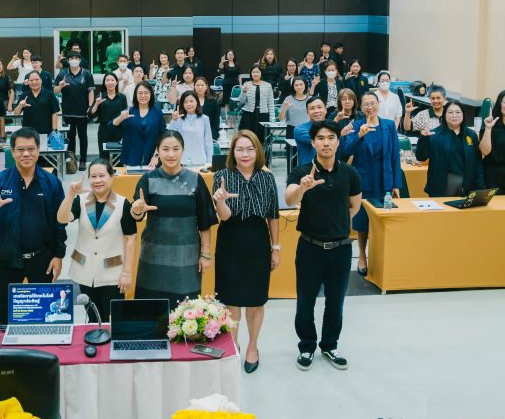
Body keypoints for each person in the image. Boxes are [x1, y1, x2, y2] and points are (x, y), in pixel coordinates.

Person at [285, 119, 361, 372]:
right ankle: (307, 346)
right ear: (313, 142)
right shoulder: (301, 171)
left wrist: (336, 223)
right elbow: (289, 198)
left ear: (338, 142)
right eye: (320, 138)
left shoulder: (350, 173)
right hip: (310, 247)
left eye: (331, 138)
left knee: (336, 301)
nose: (326, 143)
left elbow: (354, 206)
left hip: (341, 248)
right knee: (305, 300)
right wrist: (302, 189)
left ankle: (330, 345)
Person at [0, 128, 66, 326]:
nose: (26, 154)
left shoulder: (51, 183)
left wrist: (58, 255)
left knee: (46, 317)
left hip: (43, 259)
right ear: (12, 151)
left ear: (38, 150)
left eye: (31, 149)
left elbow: (59, 223)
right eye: (20, 149)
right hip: (9, 260)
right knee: (5, 319)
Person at [212, 130, 279, 373]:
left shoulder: (267, 178)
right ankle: (233, 345)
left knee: (256, 300)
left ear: (257, 151)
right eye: (240, 149)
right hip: (230, 241)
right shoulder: (221, 176)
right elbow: (224, 217)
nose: (245, 154)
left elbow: (273, 214)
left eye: (250, 149)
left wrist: (276, 248)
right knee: (231, 300)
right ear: (232, 152)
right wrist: (220, 201)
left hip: (258, 241)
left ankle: (252, 346)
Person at [131, 130, 217, 307]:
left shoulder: (195, 179)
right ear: (158, 151)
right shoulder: (148, 179)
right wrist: (137, 210)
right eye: (165, 149)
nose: (171, 154)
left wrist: (205, 254)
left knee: (185, 312)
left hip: (186, 259)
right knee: (150, 310)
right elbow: (137, 214)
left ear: (183, 150)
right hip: (153, 258)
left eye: (176, 149)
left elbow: (205, 222)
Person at [56, 158, 137, 321]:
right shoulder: (81, 200)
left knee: (114, 319)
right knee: (93, 318)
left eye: (101, 176)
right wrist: (71, 195)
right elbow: (62, 218)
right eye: (93, 176)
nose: (97, 180)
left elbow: (131, 238)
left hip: (112, 272)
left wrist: (127, 273)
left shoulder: (122, 203)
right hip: (85, 269)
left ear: (111, 177)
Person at [339, 92, 402, 276]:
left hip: (384, 181)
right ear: (361, 107)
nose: (370, 107)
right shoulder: (356, 125)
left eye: (372, 103)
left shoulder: (389, 125)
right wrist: (358, 136)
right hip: (363, 181)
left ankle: (381, 257)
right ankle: (362, 256)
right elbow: (345, 152)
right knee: (362, 222)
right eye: (366, 104)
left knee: (383, 220)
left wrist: (396, 183)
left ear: (378, 104)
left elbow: (395, 156)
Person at [416, 100, 485, 197]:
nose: (454, 115)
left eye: (458, 112)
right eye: (450, 112)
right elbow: (421, 157)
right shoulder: (434, 134)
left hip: (466, 187)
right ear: (444, 114)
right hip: (441, 188)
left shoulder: (471, 134)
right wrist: (424, 139)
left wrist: (480, 189)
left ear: (463, 114)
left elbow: (477, 163)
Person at [54, 51, 95, 173]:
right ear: (67, 60)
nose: (74, 60)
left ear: (80, 60)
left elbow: (91, 91)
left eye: (76, 58)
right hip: (68, 112)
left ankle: (83, 160)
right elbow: (55, 91)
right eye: (71, 58)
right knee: (70, 137)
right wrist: (60, 86)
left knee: (83, 136)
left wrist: (90, 106)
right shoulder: (63, 73)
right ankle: (71, 161)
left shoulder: (86, 73)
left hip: (82, 111)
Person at [115, 82, 165, 167]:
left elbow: (163, 135)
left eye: (146, 93)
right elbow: (112, 128)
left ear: (151, 94)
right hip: (131, 157)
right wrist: (120, 118)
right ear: (135, 95)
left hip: (152, 158)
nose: (143, 96)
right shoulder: (128, 112)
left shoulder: (157, 112)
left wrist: (157, 155)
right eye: (140, 93)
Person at [168, 91, 214, 167]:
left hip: (201, 161)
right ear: (182, 104)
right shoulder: (178, 118)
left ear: (197, 102)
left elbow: (208, 142)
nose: (189, 104)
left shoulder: (204, 119)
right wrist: (174, 120)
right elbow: (170, 136)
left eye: (191, 101)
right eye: (185, 102)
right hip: (182, 161)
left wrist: (209, 161)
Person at [91, 72, 128, 159]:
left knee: (118, 159)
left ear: (116, 82)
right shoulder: (100, 96)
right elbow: (91, 115)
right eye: (107, 80)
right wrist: (96, 104)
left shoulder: (122, 97)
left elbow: (124, 116)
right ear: (104, 83)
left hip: (119, 131)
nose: (110, 82)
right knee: (104, 158)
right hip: (104, 131)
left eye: (112, 80)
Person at [12, 71, 60, 136]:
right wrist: (20, 106)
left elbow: (54, 113)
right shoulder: (24, 95)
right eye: (31, 80)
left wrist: (54, 130)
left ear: (41, 80)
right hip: (28, 133)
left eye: (37, 79)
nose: (34, 82)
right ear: (28, 82)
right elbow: (16, 113)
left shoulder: (49, 94)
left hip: (46, 132)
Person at [239, 65, 275, 140]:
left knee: (262, 138)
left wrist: (272, 118)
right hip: (249, 115)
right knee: (247, 138)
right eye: (253, 72)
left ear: (261, 73)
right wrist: (243, 92)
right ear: (251, 74)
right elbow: (241, 101)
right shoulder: (246, 84)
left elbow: (271, 103)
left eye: (257, 72)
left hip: (263, 115)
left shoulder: (268, 85)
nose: (255, 74)